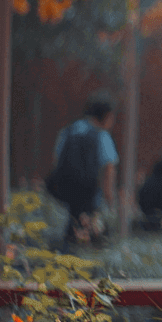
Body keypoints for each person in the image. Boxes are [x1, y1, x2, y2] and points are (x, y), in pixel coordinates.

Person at [48, 93, 119, 246]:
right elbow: (108, 171)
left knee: (70, 234)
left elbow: (56, 160)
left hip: (64, 196)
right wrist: (110, 201)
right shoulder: (102, 136)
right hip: (89, 197)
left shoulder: (69, 130)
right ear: (106, 115)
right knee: (91, 238)